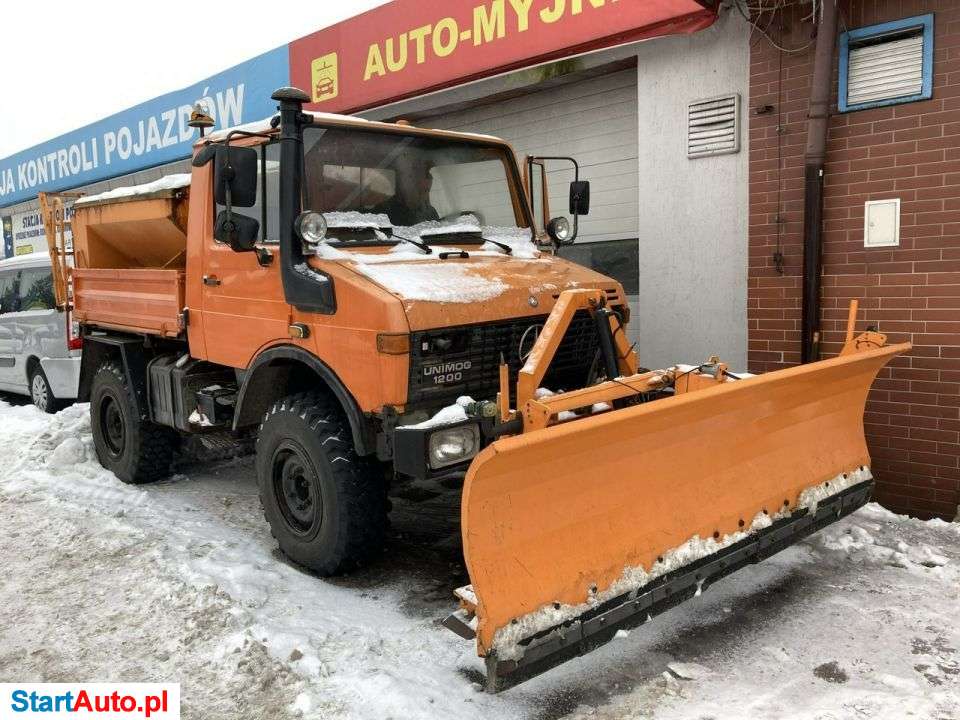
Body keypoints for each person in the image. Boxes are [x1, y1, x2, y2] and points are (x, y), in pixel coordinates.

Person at [375, 158, 440, 226]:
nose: (424, 195)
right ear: (408, 186)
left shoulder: (430, 213)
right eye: (420, 190)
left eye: (427, 190)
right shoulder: (384, 211)